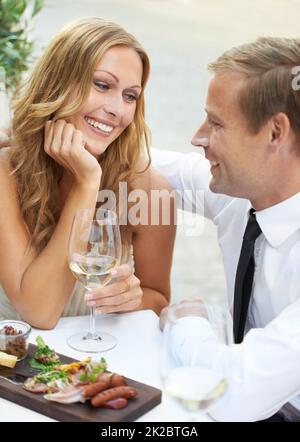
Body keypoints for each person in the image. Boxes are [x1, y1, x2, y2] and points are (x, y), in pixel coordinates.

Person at [154, 37, 300, 421]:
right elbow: (156, 167)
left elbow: (233, 397)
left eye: (216, 123)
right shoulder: (245, 191)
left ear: (274, 133)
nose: (197, 137)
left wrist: (188, 322)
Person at [0, 17, 176, 328]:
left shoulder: (149, 188)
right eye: (102, 85)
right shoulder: (7, 174)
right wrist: (86, 183)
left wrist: (131, 299)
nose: (117, 110)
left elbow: (159, 298)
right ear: (58, 83)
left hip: (94, 370)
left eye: (130, 95)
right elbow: (40, 312)